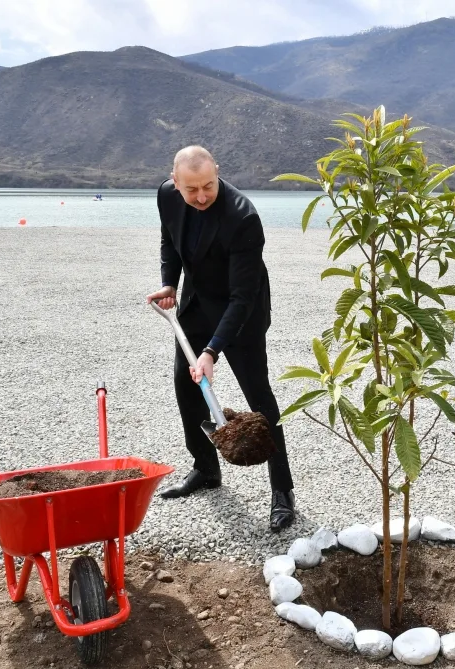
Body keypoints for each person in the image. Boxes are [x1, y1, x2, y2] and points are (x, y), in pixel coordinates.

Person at [146, 145, 295, 532]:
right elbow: (170, 242)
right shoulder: (166, 195)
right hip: (196, 306)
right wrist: (168, 282)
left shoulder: (243, 218)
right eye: (191, 189)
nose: (200, 197)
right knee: (186, 385)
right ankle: (206, 470)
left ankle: (283, 492)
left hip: (240, 316)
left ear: (218, 174)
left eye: (208, 187)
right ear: (175, 181)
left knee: (260, 401)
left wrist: (212, 350)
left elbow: (242, 297)